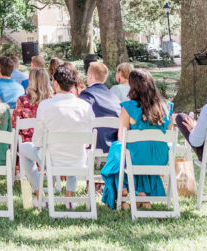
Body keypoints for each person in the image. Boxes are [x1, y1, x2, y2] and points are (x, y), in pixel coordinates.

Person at [100, 69, 174, 209]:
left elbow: (122, 138)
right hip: (161, 158)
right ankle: (142, 195)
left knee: (118, 150)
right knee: (142, 149)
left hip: (136, 158)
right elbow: (168, 135)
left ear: (133, 87)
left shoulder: (128, 108)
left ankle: (123, 193)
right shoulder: (167, 108)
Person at [19, 65, 95, 202]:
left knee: (24, 148)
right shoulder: (85, 107)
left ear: (55, 83)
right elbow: (88, 139)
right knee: (73, 147)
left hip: (52, 160)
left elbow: (37, 141)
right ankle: (69, 197)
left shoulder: (46, 105)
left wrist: (40, 145)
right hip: (78, 159)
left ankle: (39, 193)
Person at [79, 61, 121, 153]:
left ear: (90, 76)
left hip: (93, 143)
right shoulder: (113, 96)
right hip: (113, 142)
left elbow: (80, 116)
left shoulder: (87, 94)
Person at [12, 67, 52, 143]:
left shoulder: (23, 101)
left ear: (31, 81)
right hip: (48, 145)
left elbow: (14, 125)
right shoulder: (54, 101)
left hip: (25, 145)